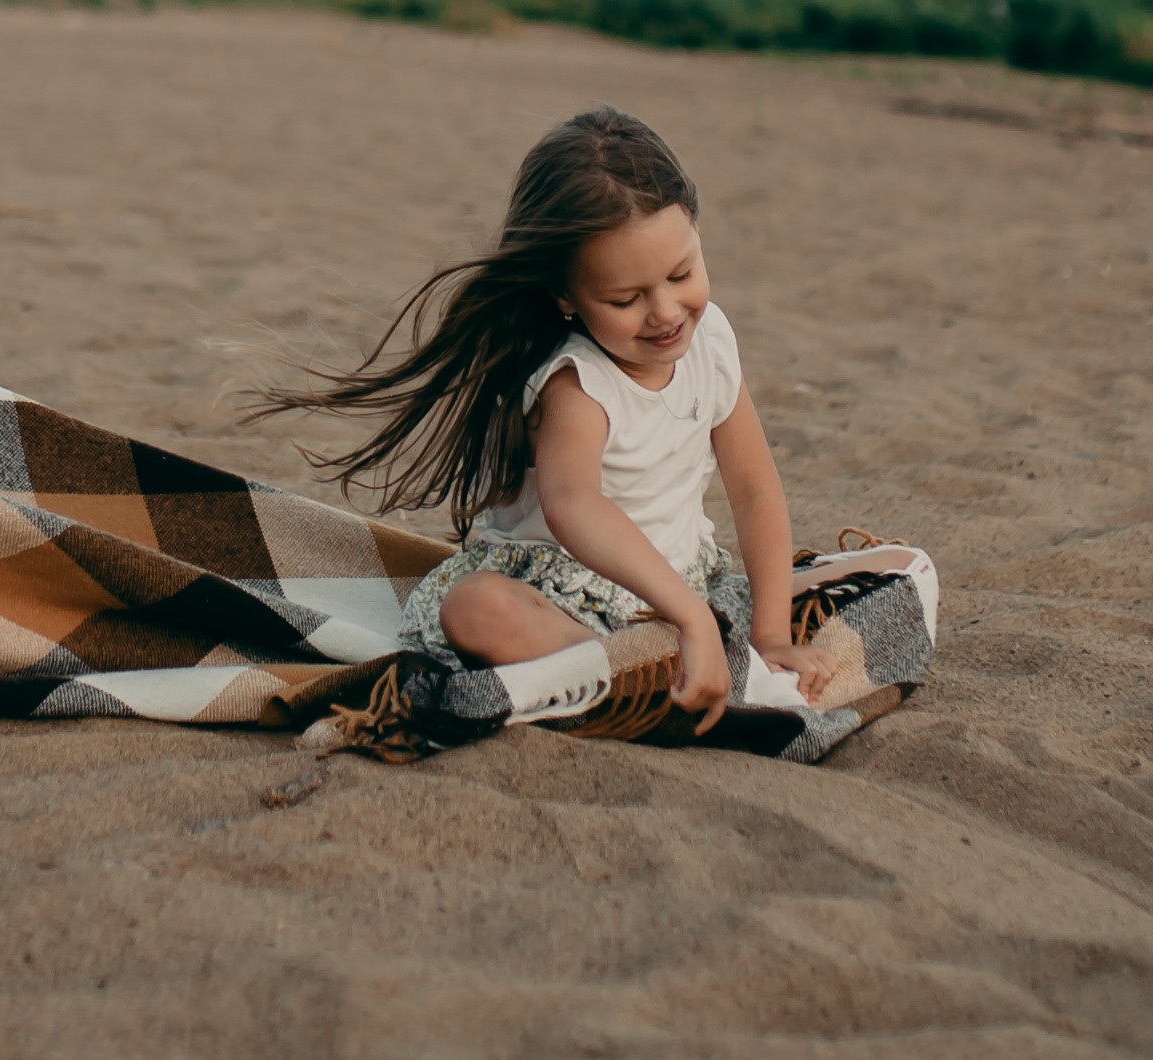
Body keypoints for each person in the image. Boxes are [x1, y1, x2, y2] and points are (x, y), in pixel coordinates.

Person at [255, 106, 836, 734]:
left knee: (888, 568)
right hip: (564, 602)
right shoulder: (576, 384)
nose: (666, 311)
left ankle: (644, 674)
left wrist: (771, 634)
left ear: (696, 229)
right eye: (625, 299)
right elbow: (572, 504)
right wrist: (694, 621)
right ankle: (633, 676)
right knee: (474, 609)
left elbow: (754, 490)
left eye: (681, 273)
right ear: (566, 297)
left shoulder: (713, 340)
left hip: (677, 585)